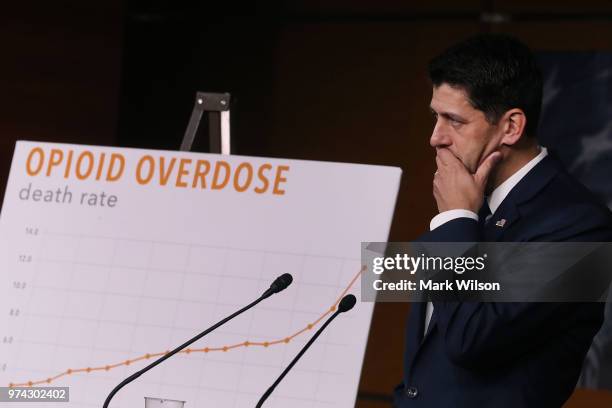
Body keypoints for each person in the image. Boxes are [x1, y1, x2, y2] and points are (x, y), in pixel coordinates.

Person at [393, 34, 612, 407]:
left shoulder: (583, 226)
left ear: (511, 126)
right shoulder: (466, 201)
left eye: (454, 121)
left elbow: (471, 340)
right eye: (435, 116)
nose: (435, 138)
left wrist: (456, 219)